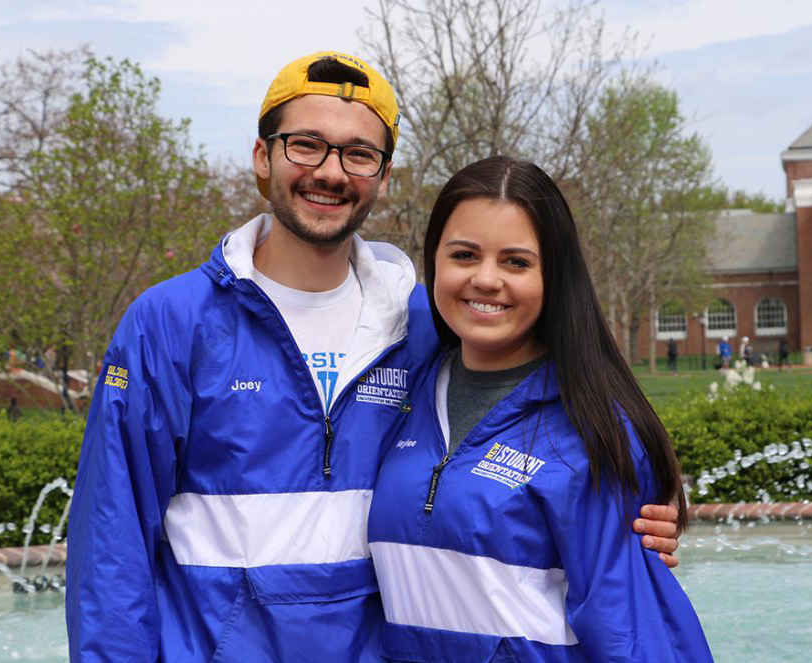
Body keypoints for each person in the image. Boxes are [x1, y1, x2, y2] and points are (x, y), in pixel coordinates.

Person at [66, 52, 682, 662]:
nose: (331, 172)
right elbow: (110, 546)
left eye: (359, 154)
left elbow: (539, 413)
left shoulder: (421, 323)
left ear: (384, 177)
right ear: (263, 157)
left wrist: (641, 504)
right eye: (305, 144)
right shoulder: (170, 323)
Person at [368, 157, 712, 661]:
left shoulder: (593, 433)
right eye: (464, 254)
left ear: (554, 277)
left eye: (516, 261)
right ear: (433, 262)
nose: (486, 279)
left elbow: (632, 633)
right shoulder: (394, 389)